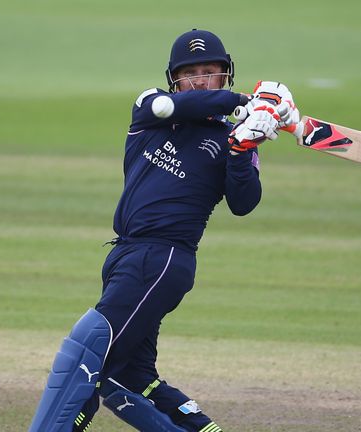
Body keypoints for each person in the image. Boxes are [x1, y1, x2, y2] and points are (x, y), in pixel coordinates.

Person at [28, 29, 299, 432]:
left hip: (163, 258)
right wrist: (246, 102)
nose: (201, 80)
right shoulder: (151, 106)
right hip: (125, 254)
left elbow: (244, 203)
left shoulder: (233, 138)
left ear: (225, 74)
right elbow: (161, 107)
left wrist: (243, 148)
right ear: (175, 79)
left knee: (88, 351)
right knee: (128, 377)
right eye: (191, 73)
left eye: (211, 72)